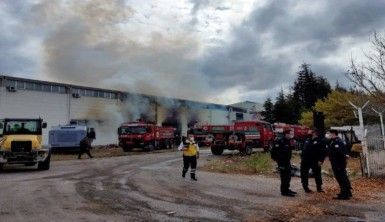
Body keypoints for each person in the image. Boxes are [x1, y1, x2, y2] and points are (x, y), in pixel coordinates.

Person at [326, 129, 352, 200]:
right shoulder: (334, 141)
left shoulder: (337, 141)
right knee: (343, 177)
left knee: (341, 178)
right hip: (337, 162)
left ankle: (345, 194)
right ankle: (347, 192)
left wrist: (345, 156)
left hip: (338, 163)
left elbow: (340, 152)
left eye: (329, 134)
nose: (328, 135)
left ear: (333, 134)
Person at [271, 130, 296, 197]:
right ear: (285, 134)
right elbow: (273, 151)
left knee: (288, 176)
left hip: (287, 161)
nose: (290, 135)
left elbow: (290, 149)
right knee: (284, 177)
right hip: (281, 162)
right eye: (289, 134)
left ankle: (287, 189)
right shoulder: (280, 141)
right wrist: (276, 160)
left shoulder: (288, 141)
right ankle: (284, 191)